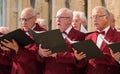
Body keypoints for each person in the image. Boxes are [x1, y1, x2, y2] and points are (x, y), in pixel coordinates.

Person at [38, 8, 86, 74]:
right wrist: (41, 53)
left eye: (61, 17)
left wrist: (57, 54)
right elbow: (40, 60)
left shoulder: (80, 36)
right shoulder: (50, 35)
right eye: (56, 17)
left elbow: (82, 60)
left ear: (69, 20)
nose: (58, 20)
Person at [0, 7, 48, 74]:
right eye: (22, 19)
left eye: (26, 19)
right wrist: (9, 49)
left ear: (35, 18)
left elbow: (35, 56)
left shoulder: (42, 33)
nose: (23, 22)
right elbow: (12, 57)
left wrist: (17, 49)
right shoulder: (19, 32)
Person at [85, 6, 120, 74]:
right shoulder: (88, 37)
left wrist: (117, 60)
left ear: (106, 18)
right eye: (93, 17)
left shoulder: (118, 36)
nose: (94, 19)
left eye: (97, 16)